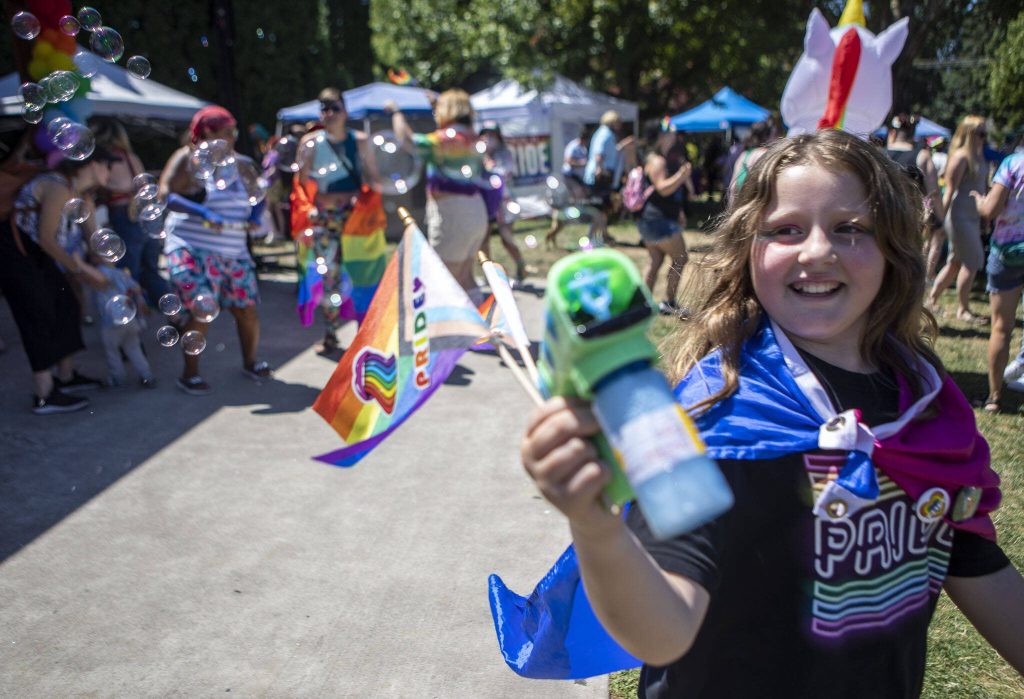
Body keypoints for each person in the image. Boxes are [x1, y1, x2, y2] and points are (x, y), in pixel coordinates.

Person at [520, 129, 1024, 695]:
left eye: (850, 229)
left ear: (892, 248)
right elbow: (662, 632)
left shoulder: (927, 406)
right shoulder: (714, 413)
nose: (816, 251)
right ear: (747, 249)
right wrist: (595, 525)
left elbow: (973, 560)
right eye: (785, 230)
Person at [158, 105, 272, 395]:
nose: (233, 137)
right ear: (207, 132)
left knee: (246, 311)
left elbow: (258, 196)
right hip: (192, 246)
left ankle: (251, 362)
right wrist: (203, 212)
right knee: (203, 306)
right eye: (227, 131)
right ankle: (190, 374)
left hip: (233, 251)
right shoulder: (188, 158)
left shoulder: (241, 164)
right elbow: (166, 194)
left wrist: (256, 216)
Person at [1, 145, 115, 413]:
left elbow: (94, 238)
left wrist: (110, 269)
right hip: (15, 253)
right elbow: (46, 239)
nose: (111, 171)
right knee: (36, 314)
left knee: (67, 305)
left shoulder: (80, 193)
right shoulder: (58, 187)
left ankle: (66, 376)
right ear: (90, 165)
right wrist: (80, 271)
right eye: (107, 165)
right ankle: (45, 394)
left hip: (37, 255)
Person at [295, 88, 374, 351]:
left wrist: (357, 198)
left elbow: (372, 180)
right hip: (325, 219)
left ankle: (364, 335)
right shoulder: (310, 143)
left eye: (334, 108)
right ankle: (331, 333)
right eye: (324, 108)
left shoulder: (361, 140)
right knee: (329, 275)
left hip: (356, 220)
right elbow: (301, 184)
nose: (329, 114)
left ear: (345, 111)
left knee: (360, 274)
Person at [390, 89, 488, 300]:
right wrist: (438, 104)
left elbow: (408, 141)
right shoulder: (471, 137)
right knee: (464, 276)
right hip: (476, 211)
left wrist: (396, 113)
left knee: (443, 280)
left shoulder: (445, 139)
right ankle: (480, 328)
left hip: (453, 214)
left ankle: (452, 331)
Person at [89, 117, 171, 306]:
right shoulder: (131, 158)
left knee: (128, 270)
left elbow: (105, 186)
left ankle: (131, 317)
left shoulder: (106, 160)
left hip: (124, 216)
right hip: (145, 216)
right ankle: (175, 315)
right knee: (151, 270)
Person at [971, 139, 1024, 411]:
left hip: (1008, 252)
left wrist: (979, 201)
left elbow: (990, 210)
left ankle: (994, 398)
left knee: (1001, 328)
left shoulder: (1012, 164)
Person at [927, 115, 990, 323]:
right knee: (972, 262)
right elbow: (949, 191)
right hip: (958, 217)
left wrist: (986, 216)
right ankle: (963, 309)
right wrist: (939, 221)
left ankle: (931, 300)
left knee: (955, 262)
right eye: (980, 133)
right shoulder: (961, 157)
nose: (984, 137)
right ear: (969, 133)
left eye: (985, 132)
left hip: (972, 217)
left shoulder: (979, 155)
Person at [638, 122, 692, 317]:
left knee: (655, 260)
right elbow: (662, 188)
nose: (672, 136)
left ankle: (643, 305)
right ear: (660, 137)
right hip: (659, 221)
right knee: (680, 258)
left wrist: (679, 212)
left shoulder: (654, 159)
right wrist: (681, 175)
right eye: (668, 133)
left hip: (651, 220)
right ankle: (668, 303)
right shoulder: (658, 161)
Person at [885, 114, 945, 282]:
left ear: (894, 132)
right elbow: (934, 193)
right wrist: (941, 219)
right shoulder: (922, 155)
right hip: (911, 218)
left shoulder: (880, 154)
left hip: (884, 215)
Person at [89, 253, 155, 388]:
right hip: (129, 319)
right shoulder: (121, 273)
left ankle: (117, 378)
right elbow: (136, 288)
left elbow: (99, 281)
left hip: (111, 322)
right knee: (134, 348)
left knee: (112, 352)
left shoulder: (99, 273)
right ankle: (147, 376)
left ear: (95, 259)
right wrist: (142, 304)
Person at [478, 124, 528, 281]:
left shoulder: (504, 154)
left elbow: (505, 173)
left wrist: (490, 167)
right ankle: (489, 274)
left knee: (506, 239)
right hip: (484, 202)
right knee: (483, 239)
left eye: (491, 135)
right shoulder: (478, 155)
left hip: (503, 202)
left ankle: (521, 268)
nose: (487, 138)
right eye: (484, 135)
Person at [547, 125, 606, 250]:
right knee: (578, 192)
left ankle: (579, 209)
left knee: (583, 193)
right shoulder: (573, 146)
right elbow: (568, 161)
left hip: (579, 178)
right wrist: (582, 163)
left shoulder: (584, 148)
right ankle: (575, 207)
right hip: (570, 176)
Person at [584, 110, 635, 245]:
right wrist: (600, 169)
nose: (619, 125)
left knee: (604, 208)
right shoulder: (605, 134)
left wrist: (623, 145)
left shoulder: (606, 134)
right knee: (599, 209)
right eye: (617, 122)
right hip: (600, 177)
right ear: (612, 122)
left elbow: (611, 151)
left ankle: (602, 235)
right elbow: (599, 154)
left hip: (604, 176)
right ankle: (591, 238)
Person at [728, 118, 774, 199]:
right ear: (767, 136)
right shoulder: (764, 154)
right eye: (774, 134)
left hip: (741, 205)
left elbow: (733, 188)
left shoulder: (744, 155)